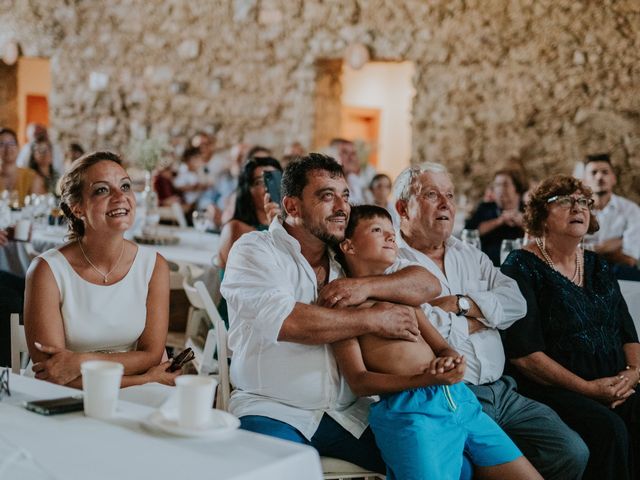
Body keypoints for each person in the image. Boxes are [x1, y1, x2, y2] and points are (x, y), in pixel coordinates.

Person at [221, 153, 441, 473]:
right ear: (293, 206)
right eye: (327, 196)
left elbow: (428, 283)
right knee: (280, 473)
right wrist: (373, 318)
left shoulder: (347, 256)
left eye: (346, 196)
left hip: (347, 414)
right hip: (272, 409)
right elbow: (289, 321)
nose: (342, 207)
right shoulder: (255, 250)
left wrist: (365, 286)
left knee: (449, 466)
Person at [393, 162, 589, 480]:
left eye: (450, 195)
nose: (446, 204)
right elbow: (416, 329)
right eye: (432, 195)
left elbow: (515, 302)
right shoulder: (393, 261)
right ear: (403, 207)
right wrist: (485, 318)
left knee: (570, 451)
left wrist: (461, 304)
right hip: (451, 395)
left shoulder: (468, 253)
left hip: (503, 390)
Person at [334, 205, 540, 480]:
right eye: (377, 230)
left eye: (390, 231)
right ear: (348, 246)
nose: (390, 236)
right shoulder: (343, 309)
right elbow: (358, 381)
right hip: (411, 415)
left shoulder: (403, 296)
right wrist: (424, 380)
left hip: (460, 401)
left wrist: (451, 359)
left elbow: (441, 345)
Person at [501, 174, 640, 480]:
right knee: (610, 430)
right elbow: (525, 356)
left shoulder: (598, 264)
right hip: (556, 387)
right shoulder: (521, 266)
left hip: (614, 381)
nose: (578, 207)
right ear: (541, 215)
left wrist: (632, 374)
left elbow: (628, 331)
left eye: (584, 202)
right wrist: (589, 389)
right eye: (565, 200)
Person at [23, 151, 179, 388]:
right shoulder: (47, 271)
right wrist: (144, 378)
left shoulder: (153, 266)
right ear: (77, 208)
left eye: (125, 186)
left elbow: (151, 355)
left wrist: (81, 361)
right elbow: (53, 374)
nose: (120, 197)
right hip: (63, 396)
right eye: (102, 190)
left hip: (135, 392)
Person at [217, 156, 282, 323]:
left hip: (272, 311)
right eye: (261, 181)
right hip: (242, 318)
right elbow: (263, 281)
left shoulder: (290, 227)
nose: (269, 187)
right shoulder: (236, 229)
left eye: (274, 179)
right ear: (248, 189)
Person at [582, 153, 640, 281]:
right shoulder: (575, 210)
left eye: (605, 172)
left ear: (614, 178)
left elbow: (630, 260)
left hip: (619, 273)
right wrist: (607, 246)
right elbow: (566, 252)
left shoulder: (631, 210)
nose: (599, 176)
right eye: (593, 172)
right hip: (581, 272)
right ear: (584, 180)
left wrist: (587, 248)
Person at [466, 169, 526, 265]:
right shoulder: (485, 208)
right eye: (497, 185)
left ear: (517, 188)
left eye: (505, 184)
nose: (500, 189)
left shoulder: (529, 210)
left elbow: (543, 237)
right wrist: (500, 221)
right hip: (488, 267)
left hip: (522, 268)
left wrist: (523, 222)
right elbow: (469, 233)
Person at [0, 128, 44, 205]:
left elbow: (38, 210)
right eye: (2, 144)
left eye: (12, 143)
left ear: (18, 148)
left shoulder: (31, 177)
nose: (8, 148)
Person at [330, 138, 376, 205]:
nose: (351, 158)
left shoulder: (356, 179)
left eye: (353, 153)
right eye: (345, 152)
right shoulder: (329, 184)